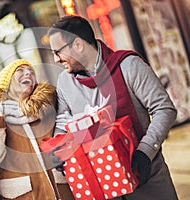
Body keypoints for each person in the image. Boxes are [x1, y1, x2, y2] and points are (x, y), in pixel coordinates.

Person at [47, 15, 178, 200]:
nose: (56, 59)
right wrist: (59, 148)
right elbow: (63, 122)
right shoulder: (64, 82)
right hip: (103, 186)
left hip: (148, 177)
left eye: (58, 52)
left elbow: (164, 109)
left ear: (78, 45)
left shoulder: (129, 65)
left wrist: (145, 151)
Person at [0, 59, 74, 200]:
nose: (28, 73)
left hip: (62, 192)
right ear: (6, 84)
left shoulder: (47, 109)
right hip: (24, 195)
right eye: (20, 71)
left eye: (31, 72)